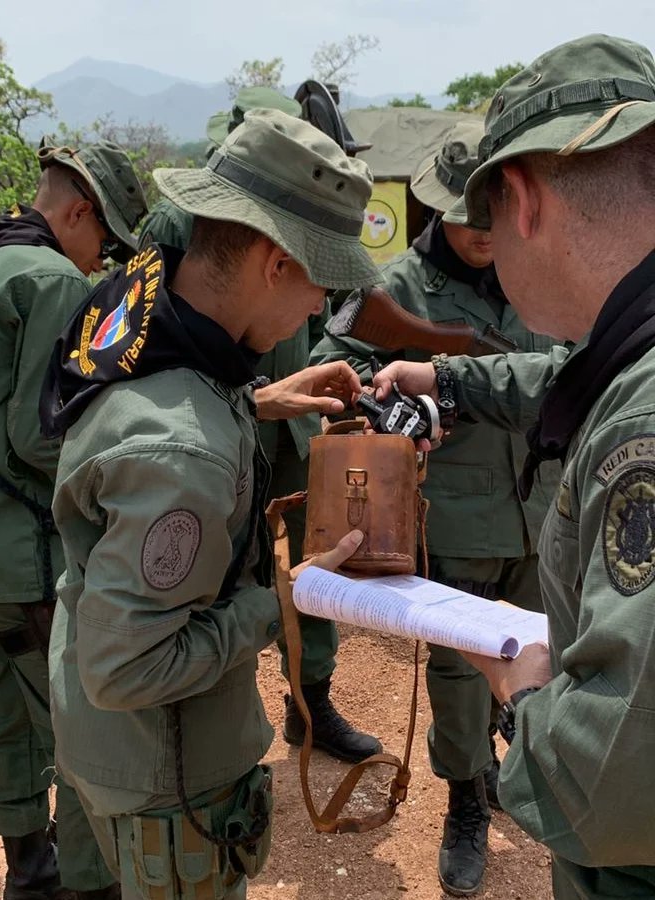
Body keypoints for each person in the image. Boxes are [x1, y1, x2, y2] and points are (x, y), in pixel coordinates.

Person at [39, 108, 382, 899]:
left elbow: (148, 429)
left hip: (112, 751)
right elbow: (130, 668)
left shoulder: (145, 322)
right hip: (171, 775)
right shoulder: (182, 448)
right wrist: (286, 603)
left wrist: (258, 402)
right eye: (319, 282)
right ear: (273, 261)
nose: (315, 311)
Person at [370, 33, 655, 899]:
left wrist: (531, 701)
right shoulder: (627, 356)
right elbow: (564, 377)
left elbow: (610, 783)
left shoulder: (641, 427)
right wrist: (446, 381)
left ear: (521, 201)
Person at [311, 118, 559, 895]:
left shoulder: (543, 270)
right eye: (461, 216)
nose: (479, 232)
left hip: (547, 512)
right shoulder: (397, 290)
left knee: (542, 657)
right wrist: (389, 413)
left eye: (487, 213)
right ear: (435, 209)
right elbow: (327, 372)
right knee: (457, 676)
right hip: (452, 515)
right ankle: (464, 799)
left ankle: (518, 776)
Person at [137, 87, 382, 765]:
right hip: (214, 425)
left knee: (312, 568)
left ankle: (312, 701)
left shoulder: (297, 251)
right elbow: (156, 341)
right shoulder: (181, 225)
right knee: (220, 576)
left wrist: (276, 397)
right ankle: (222, 708)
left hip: (281, 426)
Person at [0, 141, 147, 899]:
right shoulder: (53, 280)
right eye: (109, 244)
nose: (104, 265)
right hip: (20, 551)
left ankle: (29, 870)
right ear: (79, 213)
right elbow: (39, 433)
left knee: (2, 711)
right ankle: (86, 883)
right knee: (76, 729)